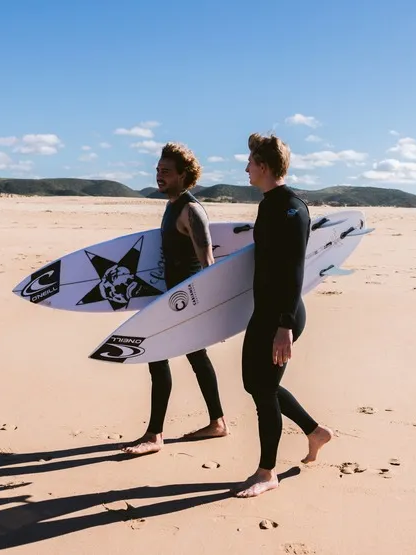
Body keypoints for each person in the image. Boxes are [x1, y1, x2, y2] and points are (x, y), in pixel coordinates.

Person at [234, 133, 333, 498]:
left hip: (281, 315)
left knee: (263, 391)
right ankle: (314, 431)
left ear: (263, 166)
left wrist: (284, 326)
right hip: (267, 311)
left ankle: (267, 472)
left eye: (250, 162)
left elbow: (294, 270)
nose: (246, 168)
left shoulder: (291, 208)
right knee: (256, 384)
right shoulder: (270, 204)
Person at [120, 142, 229, 455]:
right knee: (195, 357)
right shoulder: (172, 205)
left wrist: (212, 311)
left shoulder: (191, 210)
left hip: (184, 301)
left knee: (157, 356)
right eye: (158, 170)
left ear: (183, 174)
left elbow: (208, 263)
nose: (159, 175)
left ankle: (155, 435)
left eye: (166, 171)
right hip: (170, 295)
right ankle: (217, 422)